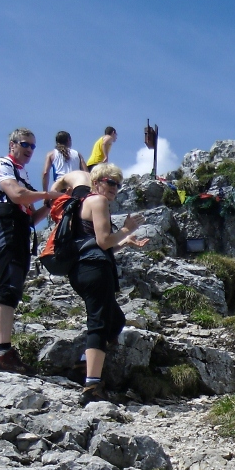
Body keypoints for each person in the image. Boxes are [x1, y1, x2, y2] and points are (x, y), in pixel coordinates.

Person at [69, 163, 149, 401]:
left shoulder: (84, 203)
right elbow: (104, 241)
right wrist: (126, 229)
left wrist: (125, 241)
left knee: (116, 320)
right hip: (95, 269)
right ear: (96, 183)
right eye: (110, 182)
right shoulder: (98, 201)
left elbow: (100, 243)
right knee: (100, 322)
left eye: (118, 184)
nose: (115, 188)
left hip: (82, 269)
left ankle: (84, 366)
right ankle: (92, 385)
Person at [0, 128, 63, 373]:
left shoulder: (21, 172)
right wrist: (49, 193)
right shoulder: (2, 165)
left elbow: (29, 218)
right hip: (7, 229)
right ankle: (3, 351)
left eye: (33, 146)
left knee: (10, 286)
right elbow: (17, 195)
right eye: (25, 144)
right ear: (12, 145)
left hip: (18, 230)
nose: (29, 149)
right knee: (9, 286)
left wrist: (49, 204)